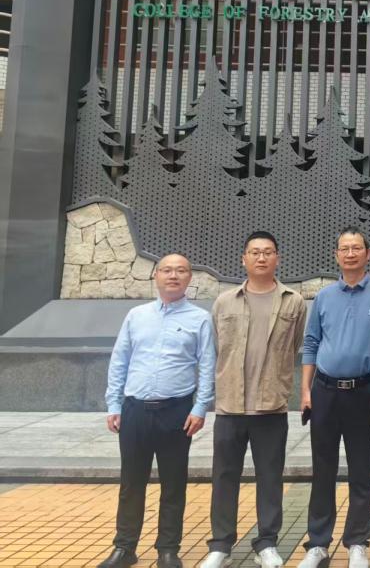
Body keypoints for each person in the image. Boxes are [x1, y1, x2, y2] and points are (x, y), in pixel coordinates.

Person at [99, 254, 215, 568]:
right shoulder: (136, 316)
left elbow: (207, 366)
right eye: (166, 270)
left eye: (180, 271)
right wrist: (114, 404)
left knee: (173, 484)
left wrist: (201, 407)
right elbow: (120, 360)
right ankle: (124, 547)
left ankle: (168, 549)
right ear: (156, 276)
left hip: (176, 412)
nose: (173, 275)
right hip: (134, 410)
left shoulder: (200, 319)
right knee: (131, 483)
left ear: (189, 277)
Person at [199, 232, 308, 568]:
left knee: (270, 477)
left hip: (270, 406)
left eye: (268, 252)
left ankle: (267, 542)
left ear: (277, 258)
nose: (261, 258)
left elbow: (296, 346)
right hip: (230, 405)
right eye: (255, 252)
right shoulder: (224, 302)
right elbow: (217, 348)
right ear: (244, 258)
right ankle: (220, 544)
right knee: (224, 476)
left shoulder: (293, 302)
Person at [299, 228, 370, 568]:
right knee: (322, 469)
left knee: (360, 469)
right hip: (325, 392)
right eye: (345, 248)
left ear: (368, 254)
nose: (351, 253)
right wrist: (305, 389)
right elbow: (311, 342)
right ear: (337, 255)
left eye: (357, 248)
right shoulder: (324, 296)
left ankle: (358, 542)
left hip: (364, 391)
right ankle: (318, 543)